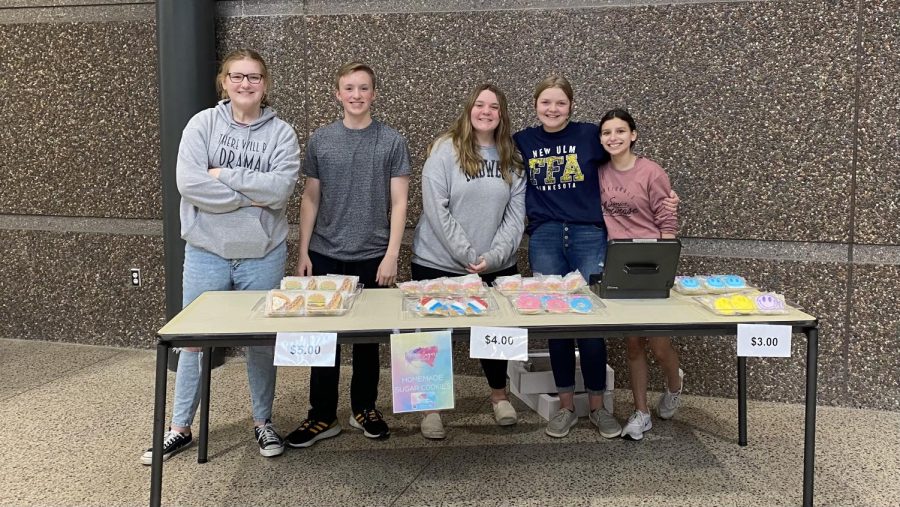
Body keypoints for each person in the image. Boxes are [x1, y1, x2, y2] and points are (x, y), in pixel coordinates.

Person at [140, 49, 301, 464]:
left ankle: (263, 422)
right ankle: (179, 428)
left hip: (261, 254)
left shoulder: (281, 133)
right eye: (237, 76)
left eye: (254, 77)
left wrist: (225, 176)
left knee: (261, 344)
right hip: (206, 252)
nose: (245, 84)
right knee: (193, 343)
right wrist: (250, 197)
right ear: (224, 81)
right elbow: (189, 184)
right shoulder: (202, 125)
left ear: (265, 83)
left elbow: (280, 191)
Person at [513, 76, 678, 439]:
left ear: (571, 106)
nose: (552, 109)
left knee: (592, 320)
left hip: (589, 235)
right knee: (554, 322)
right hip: (546, 235)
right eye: (546, 103)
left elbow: (627, 165)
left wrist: (663, 198)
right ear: (536, 105)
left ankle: (598, 407)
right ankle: (567, 407)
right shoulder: (523, 141)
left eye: (560, 103)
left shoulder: (591, 135)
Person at [287, 62, 410, 448]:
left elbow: (401, 201)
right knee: (323, 340)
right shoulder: (321, 140)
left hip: (373, 255)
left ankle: (365, 408)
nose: (356, 95)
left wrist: (391, 255)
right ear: (338, 94)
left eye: (364, 88)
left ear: (374, 93)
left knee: (367, 341)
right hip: (325, 252)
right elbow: (310, 197)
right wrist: (303, 251)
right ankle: (322, 415)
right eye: (349, 88)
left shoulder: (391, 141)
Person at [411, 83, 525, 439]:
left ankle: (499, 396)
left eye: (494, 106)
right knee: (432, 337)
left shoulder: (512, 157)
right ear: (469, 109)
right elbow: (435, 207)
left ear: (502, 114)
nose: (486, 111)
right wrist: (467, 254)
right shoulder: (445, 150)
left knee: (494, 333)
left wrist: (492, 258)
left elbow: (515, 216)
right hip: (438, 260)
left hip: (494, 265)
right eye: (480, 104)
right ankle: (429, 405)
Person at [598, 108, 684, 440]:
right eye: (606, 132)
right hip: (619, 263)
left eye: (620, 131)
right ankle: (641, 412)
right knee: (633, 343)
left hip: (651, 262)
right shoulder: (600, 173)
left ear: (633, 135)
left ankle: (674, 383)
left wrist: (663, 266)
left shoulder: (651, 172)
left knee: (659, 344)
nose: (613, 138)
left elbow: (667, 219)